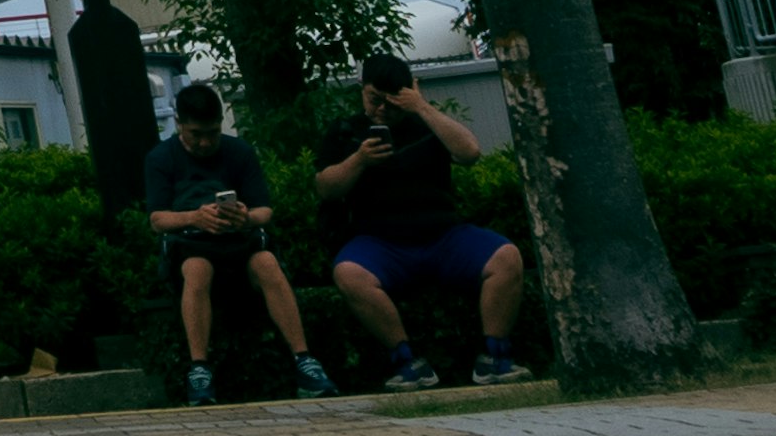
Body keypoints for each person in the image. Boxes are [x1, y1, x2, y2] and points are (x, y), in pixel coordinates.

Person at [319, 54, 528, 389]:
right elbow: (326, 188)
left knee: (507, 257)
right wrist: (359, 160)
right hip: (380, 242)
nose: (383, 110)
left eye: (393, 102)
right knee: (348, 273)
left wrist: (422, 107)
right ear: (362, 90)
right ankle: (407, 362)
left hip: (444, 235)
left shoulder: (427, 126)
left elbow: (470, 153)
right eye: (375, 100)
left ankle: (494, 358)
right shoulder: (346, 131)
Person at [144, 79, 334, 404]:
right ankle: (199, 369)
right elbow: (158, 219)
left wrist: (245, 217)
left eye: (212, 133)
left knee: (267, 262)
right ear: (179, 125)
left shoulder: (239, 152)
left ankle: (304, 361)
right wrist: (194, 217)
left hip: (238, 241)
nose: (205, 142)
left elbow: (265, 211)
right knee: (197, 269)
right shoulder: (162, 157)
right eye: (196, 135)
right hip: (192, 244)